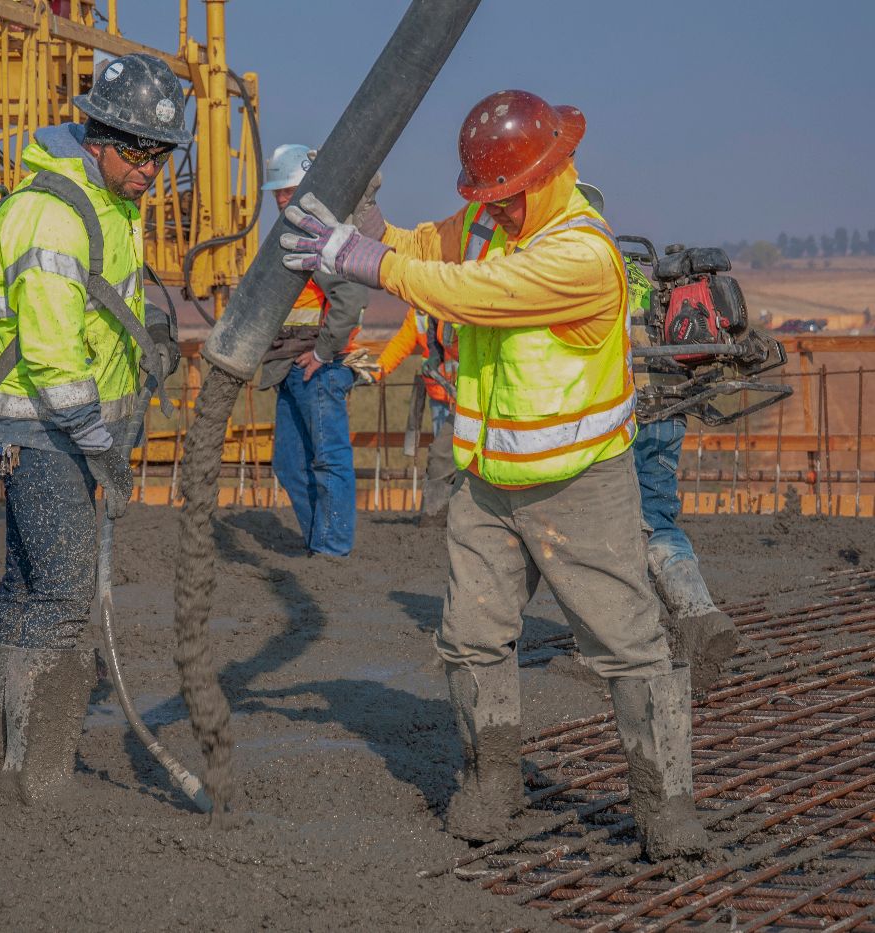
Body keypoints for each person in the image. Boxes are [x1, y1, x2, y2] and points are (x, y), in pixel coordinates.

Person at [279, 90, 709, 860]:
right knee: (471, 635)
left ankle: (665, 804)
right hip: (486, 481)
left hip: (578, 483)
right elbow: (427, 245)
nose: (496, 213)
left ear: (550, 172)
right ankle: (490, 780)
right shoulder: (485, 223)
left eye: (506, 198)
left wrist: (369, 262)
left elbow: (473, 294)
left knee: (628, 642)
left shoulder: (583, 254)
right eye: (487, 199)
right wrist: (363, 218)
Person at [0, 53, 186, 803]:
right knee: (60, 592)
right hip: (43, 433)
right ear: (99, 134)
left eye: (164, 154)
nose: (152, 169)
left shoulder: (113, 204)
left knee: (24, 581)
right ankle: (43, 771)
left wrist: (142, 329)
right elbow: (54, 357)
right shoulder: (54, 211)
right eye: (141, 152)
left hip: (46, 432)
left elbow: (92, 304)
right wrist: (102, 449)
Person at [625, 256, 742, 689]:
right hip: (671, 405)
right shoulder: (650, 278)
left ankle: (623, 642)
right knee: (657, 512)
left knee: (609, 526)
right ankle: (698, 611)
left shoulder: (589, 267)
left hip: (617, 412)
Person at [258, 144, 370, 558]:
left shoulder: (318, 240)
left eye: (289, 190)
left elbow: (349, 298)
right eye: (278, 193)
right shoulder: (289, 240)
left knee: (329, 460)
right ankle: (317, 545)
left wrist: (323, 354)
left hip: (319, 368)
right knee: (290, 464)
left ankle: (332, 552)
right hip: (290, 366)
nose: (282, 199)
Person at [376, 307, 457, 525]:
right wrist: (376, 371)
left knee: (458, 457)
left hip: (466, 394)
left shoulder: (458, 298)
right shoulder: (419, 312)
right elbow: (402, 343)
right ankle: (442, 515)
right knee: (445, 456)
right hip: (440, 393)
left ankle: (455, 514)